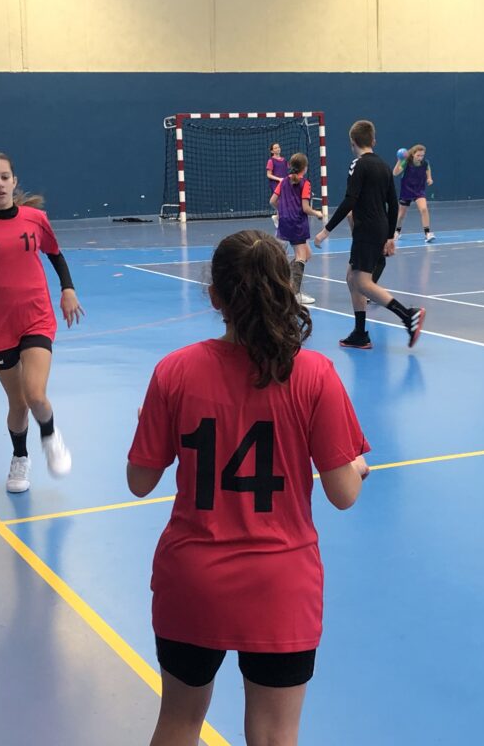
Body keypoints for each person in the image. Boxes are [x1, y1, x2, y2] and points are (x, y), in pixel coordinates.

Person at [127, 229, 369, 746]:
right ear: (284, 288)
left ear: (214, 296)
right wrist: (355, 465)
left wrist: (152, 426)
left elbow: (139, 481)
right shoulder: (314, 374)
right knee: (274, 736)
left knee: (178, 721)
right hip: (280, 584)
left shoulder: (175, 372)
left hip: (193, 578)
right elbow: (343, 493)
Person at [0, 151, 83, 493]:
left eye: (5, 176)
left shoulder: (35, 219)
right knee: (19, 404)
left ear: (14, 181)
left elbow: (56, 256)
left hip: (36, 316)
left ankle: (51, 436)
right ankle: (20, 457)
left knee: (36, 394)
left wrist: (67, 289)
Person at [313, 120, 425, 350]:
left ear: (352, 142)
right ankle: (360, 333)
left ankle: (408, 315)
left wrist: (326, 231)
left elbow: (349, 200)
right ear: (373, 141)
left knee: (362, 281)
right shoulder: (384, 166)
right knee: (350, 278)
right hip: (379, 228)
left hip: (366, 230)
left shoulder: (358, 165)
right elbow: (393, 204)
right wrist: (390, 236)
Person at [270, 152, 323, 305]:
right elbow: (306, 208)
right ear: (304, 168)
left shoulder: (283, 181)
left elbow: (273, 200)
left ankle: (286, 282)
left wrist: (282, 211)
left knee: (307, 254)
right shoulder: (305, 183)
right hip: (297, 222)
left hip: (286, 221)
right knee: (301, 256)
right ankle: (295, 294)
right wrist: (317, 213)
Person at [393, 144, 435, 242]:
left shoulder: (425, 163)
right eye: (418, 155)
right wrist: (399, 160)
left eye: (422, 155)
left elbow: (427, 169)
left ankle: (427, 233)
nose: (420, 158)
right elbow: (395, 173)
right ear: (413, 154)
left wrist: (429, 178)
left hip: (419, 190)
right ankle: (397, 232)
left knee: (424, 209)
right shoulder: (406, 162)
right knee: (401, 215)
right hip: (406, 191)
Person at [266, 142, 288, 227]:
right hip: (275, 184)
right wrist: (279, 179)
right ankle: (279, 217)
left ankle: (277, 217)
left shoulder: (284, 160)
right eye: (275, 148)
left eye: (278, 147)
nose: (277, 149)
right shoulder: (271, 161)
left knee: (283, 202)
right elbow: (268, 174)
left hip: (284, 183)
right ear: (272, 151)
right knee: (277, 201)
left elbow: (287, 171)